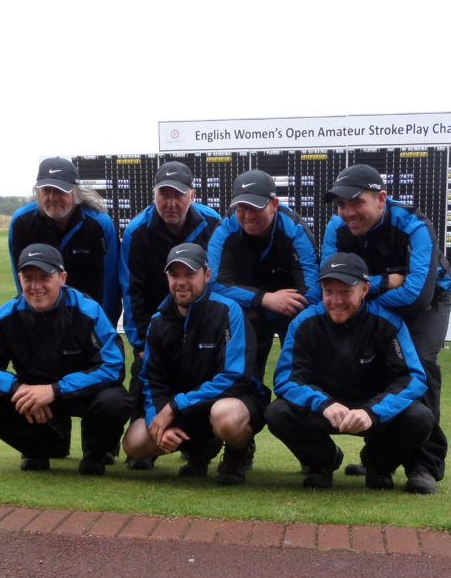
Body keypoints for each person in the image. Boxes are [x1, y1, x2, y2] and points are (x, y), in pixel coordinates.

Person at [320, 164, 451, 494]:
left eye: (357, 202)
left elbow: (416, 295)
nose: (348, 212)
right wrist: (384, 282)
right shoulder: (336, 227)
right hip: (369, 300)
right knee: (376, 368)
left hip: (427, 303)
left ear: (381, 198)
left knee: (419, 366)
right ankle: (380, 457)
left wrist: (363, 297)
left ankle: (424, 465)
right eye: (341, 204)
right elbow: (325, 281)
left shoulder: (414, 225)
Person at [266, 252, 435, 491]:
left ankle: (377, 464)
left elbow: (412, 377)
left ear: (364, 289)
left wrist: (373, 411)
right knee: (277, 413)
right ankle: (322, 462)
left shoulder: (388, 322)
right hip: (325, 408)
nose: (336, 300)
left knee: (420, 417)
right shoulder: (303, 323)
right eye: (329, 291)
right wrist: (323, 403)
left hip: (373, 409)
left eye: (345, 291)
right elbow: (286, 379)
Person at [0, 244, 130, 475]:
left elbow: (113, 367)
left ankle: (96, 453)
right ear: (19, 279)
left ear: (62, 278)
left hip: (79, 393)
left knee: (115, 400)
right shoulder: (5, 316)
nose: (36, 286)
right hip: (31, 396)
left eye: (44, 277)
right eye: (28, 278)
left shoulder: (88, 310)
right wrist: (16, 388)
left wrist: (55, 390)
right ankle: (40, 448)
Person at [121, 243, 267, 486]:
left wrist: (175, 406)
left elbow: (234, 377)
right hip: (185, 407)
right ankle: (199, 448)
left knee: (226, 417)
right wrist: (158, 421)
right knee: (135, 444)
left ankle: (237, 452)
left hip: (232, 401)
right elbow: (151, 380)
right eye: (174, 274)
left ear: (206, 275)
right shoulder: (158, 322)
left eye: (189, 274)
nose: (181, 282)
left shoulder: (228, 311)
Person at [118, 161, 221, 469]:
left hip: (202, 318)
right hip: (157, 321)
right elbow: (132, 288)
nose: (171, 203)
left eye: (178, 195)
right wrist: (140, 342)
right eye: (164, 195)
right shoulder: (137, 230)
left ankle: (205, 448)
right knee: (144, 374)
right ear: (154, 196)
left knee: (206, 379)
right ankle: (147, 444)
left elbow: (218, 279)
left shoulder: (213, 223)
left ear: (192, 195)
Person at [207, 169, 320, 385]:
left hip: (288, 312)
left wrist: (263, 310)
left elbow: (313, 292)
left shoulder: (295, 229)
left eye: (255, 208)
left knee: (300, 378)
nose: (248, 216)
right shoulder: (225, 229)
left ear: (274, 204)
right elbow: (214, 283)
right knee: (244, 383)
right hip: (250, 313)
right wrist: (265, 300)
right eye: (241, 208)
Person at [8, 157, 120, 327]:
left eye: (60, 191)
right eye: (46, 190)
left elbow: (110, 284)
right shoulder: (21, 223)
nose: (52, 197)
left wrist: (105, 328)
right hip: (41, 320)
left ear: (75, 192)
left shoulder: (99, 224)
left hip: (88, 320)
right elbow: (22, 281)